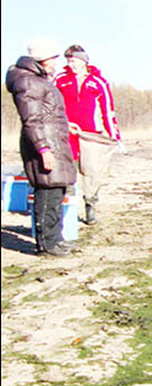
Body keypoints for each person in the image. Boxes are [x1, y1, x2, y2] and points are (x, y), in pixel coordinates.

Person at [5, 37, 78, 256]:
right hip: (44, 144)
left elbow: (46, 113)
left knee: (56, 191)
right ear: (43, 59)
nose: (57, 62)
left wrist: (66, 125)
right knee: (46, 192)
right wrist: (43, 149)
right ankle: (46, 245)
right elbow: (32, 120)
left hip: (52, 139)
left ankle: (55, 238)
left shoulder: (38, 80)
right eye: (54, 58)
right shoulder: (29, 82)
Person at [54, 44, 123, 226]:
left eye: (74, 60)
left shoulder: (98, 82)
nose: (71, 63)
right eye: (68, 60)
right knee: (67, 170)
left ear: (83, 61)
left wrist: (114, 135)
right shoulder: (60, 80)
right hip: (66, 131)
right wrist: (63, 124)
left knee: (91, 170)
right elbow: (52, 104)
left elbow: (108, 110)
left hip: (90, 133)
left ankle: (90, 205)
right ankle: (66, 208)